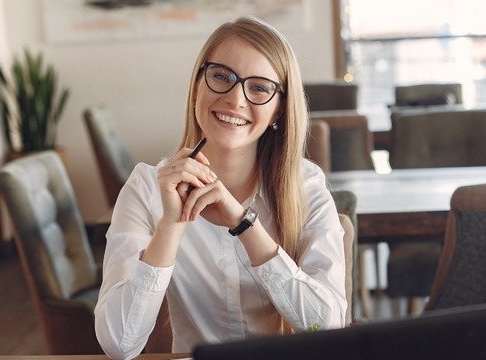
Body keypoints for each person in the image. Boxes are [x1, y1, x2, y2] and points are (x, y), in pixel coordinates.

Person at [95, 16, 347, 359]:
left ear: (279, 110)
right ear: (198, 84)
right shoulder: (146, 188)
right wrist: (171, 224)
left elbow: (327, 330)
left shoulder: (307, 186)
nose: (235, 99)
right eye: (221, 77)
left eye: (259, 87)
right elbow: (119, 345)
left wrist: (244, 224)